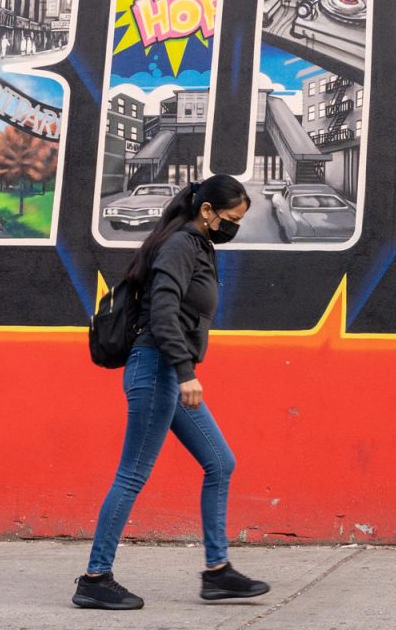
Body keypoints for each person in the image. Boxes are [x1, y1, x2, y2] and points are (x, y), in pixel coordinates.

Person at [73, 174, 270, 610]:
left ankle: (217, 573)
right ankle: (94, 579)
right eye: (231, 219)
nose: (233, 227)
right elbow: (162, 310)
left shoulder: (197, 245)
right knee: (132, 474)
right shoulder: (182, 245)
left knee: (220, 462)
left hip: (167, 372)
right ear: (207, 211)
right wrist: (184, 372)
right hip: (157, 369)